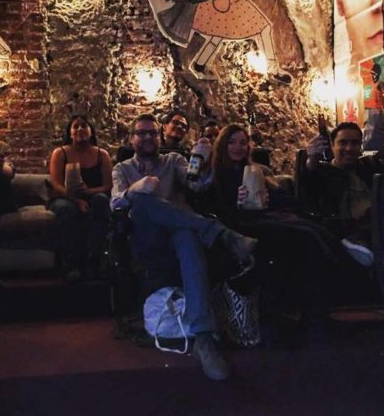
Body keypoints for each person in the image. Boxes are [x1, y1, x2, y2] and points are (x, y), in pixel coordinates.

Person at [111, 113, 256, 381]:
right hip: (148, 240)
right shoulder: (122, 168)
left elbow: (197, 184)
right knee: (142, 202)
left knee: (186, 235)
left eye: (152, 133)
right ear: (132, 139)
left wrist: (202, 160)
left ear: (160, 137)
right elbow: (116, 202)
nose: (147, 137)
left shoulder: (173, 160)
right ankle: (221, 234)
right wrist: (135, 189)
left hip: (181, 233)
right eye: (141, 133)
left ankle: (203, 338)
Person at [208, 124, 341, 335]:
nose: (238, 147)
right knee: (305, 237)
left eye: (242, 142)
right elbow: (216, 208)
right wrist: (237, 202)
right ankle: (313, 315)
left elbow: (282, 198)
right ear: (222, 145)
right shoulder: (215, 173)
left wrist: (268, 198)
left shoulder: (254, 170)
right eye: (232, 142)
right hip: (239, 226)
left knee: (314, 229)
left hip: (262, 218)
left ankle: (318, 308)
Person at [305, 121, 384, 267]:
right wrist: (311, 159)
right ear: (332, 145)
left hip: (377, 226)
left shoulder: (367, 166)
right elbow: (308, 176)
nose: (349, 148)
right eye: (343, 143)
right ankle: (358, 240)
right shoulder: (324, 172)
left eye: (355, 143)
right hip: (347, 230)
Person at [49, 115, 113, 281]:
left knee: (101, 200)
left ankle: (94, 261)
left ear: (91, 131)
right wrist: (77, 201)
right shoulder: (60, 153)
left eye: (84, 125)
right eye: (75, 126)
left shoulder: (102, 155)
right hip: (65, 197)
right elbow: (56, 185)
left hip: (92, 195)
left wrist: (89, 191)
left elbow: (108, 186)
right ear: (70, 133)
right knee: (65, 208)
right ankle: (71, 265)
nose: (80, 129)